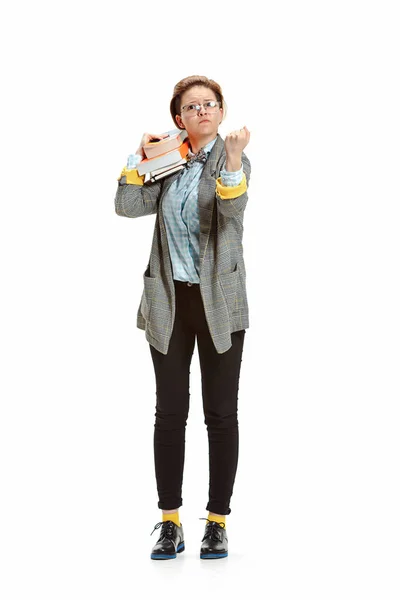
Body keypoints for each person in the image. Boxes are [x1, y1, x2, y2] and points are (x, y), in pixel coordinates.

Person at [114, 75, 251, 560]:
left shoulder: (233, 160)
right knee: (170, 412)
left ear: (221, 111)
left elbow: (230, 218)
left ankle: (217, 521)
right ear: (179, 119)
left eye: (209, 104)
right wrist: (139, 157)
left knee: (221, 414)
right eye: (191, 107)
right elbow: (127, 206)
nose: (202, 111)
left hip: (219, 304)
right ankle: (169, 522)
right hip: (169, 302)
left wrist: (233, 162)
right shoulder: (168, 161)